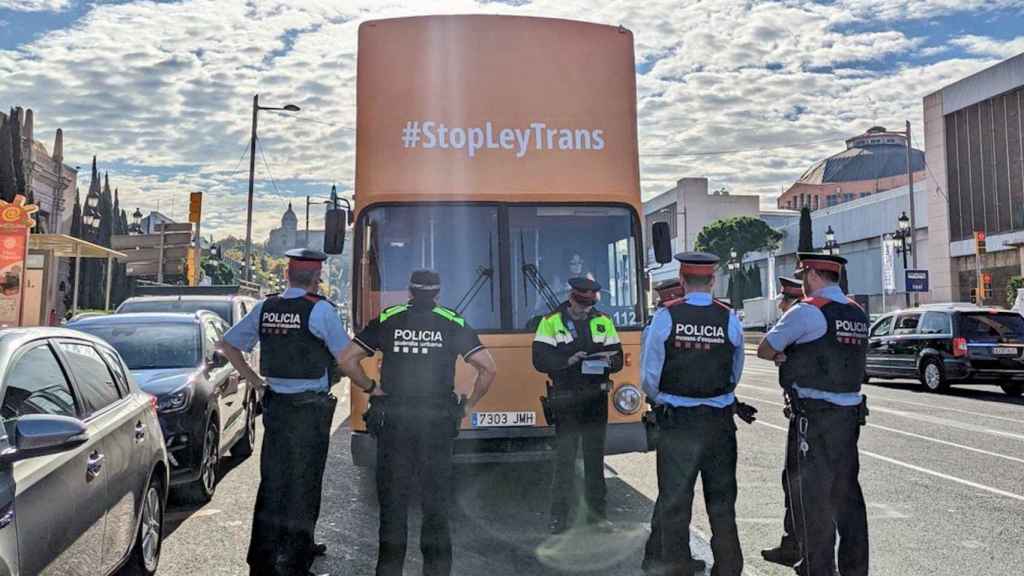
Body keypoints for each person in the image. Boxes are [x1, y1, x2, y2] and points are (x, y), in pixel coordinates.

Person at [340, 269, 496, 576]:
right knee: (436, 507)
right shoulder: (452, 321)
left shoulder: (389, 318)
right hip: (437, 425)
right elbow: (488, 369)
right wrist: (468, 405)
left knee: (393, 507)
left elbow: (347, 360)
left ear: (410, 292)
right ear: (438, 293)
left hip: (394, 424)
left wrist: (372, 388)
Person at [219, 248, 348, 576]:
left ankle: (261, 560)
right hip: (310, 410)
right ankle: (297, 559)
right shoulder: (320, 311)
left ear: (287, 275)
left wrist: (257, 383)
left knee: (273, 482)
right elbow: (345, 357)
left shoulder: (266, 306)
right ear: (316, 278)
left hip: (276, 407)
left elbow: (228, 345)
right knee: (304, 484)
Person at [757, 253, 870, 576]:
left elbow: (766, 347)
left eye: (804, 275)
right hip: (849, 417)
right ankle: (855, 570)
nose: (803, 281)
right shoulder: (856, 312)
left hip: (815, 418)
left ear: (813, 276)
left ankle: (818, 569)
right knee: (849, 500)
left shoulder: (808, 311)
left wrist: (783, 356)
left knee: (814, 499)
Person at [641, 252, 746, 576]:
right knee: (722, 501)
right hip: (718, 422)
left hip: (678, 422)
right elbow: (736, 369)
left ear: (683, 281)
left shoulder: (666, 316)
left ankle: (676, 566)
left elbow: (649, 376)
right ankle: (728, 568)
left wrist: (666, 398)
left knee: (674, 500)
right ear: (712, 280)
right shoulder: (728, 317)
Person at [533, 276, 623, 534]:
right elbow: (539, 359)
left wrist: (608, 360)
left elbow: (617, 357)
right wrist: (568, 360)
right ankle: (558, 519)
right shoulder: (551, 322)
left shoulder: (603, 320)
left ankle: (598, 517)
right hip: (566, 399)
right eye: (581, 304)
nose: (585, 309)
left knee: (596, 461)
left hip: (596, 398)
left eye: (589, 304)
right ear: (571, 298)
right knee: (565, 460)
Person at [761, 276, 808, 567]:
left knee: (800, 482)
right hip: (800, 410)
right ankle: (792, 544)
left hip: (807, 416)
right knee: (792, 480)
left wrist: (779, 355)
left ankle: (803, 549)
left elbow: (766, 349)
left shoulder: (798, 320)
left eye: (784, 300)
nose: (780, 305)